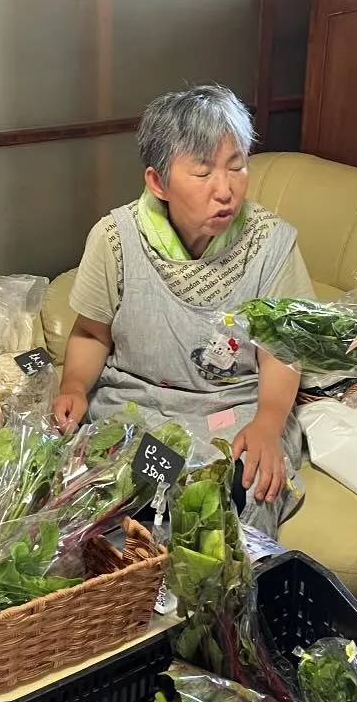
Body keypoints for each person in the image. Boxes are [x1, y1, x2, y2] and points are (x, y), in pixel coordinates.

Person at [51, 85, 314, 534]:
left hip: (237, 410)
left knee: (239, 497)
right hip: (134, 405)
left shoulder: (271, 243)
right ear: (158, 182)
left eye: (237, 167)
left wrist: (270, 424)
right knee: (90, 499)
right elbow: (92, 333)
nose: (226, 190)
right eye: (203, 172)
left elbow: (282, 348)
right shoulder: (115, 238)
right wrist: (74, 386)